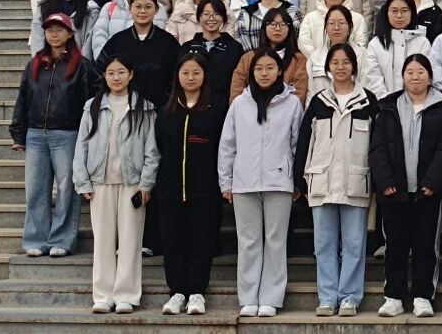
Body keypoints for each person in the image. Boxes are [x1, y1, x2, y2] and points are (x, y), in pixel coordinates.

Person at [218, 48, 304, 318]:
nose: (264, 73)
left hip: (280, 182)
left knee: (275, 241)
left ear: (279, 71)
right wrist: (226, 182)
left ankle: (271, 297)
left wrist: (296, 180)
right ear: (251, 72)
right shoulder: (239, 104)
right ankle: (248, 297)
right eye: (258, 68)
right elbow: (227, 144)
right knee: (248, 241)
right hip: (244, 182)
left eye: (270, 68)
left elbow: (297, 144)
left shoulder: (292, 103)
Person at [295, 42, 380, 317]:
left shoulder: (368, 101)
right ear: (328, 67)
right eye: (335, 62)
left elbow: (378, 146)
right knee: (323, 244)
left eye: (346, 62)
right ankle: (328, 297)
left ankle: (350, 297)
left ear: (354, 66)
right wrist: (300, 179)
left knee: (354, 244)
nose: (340, 67)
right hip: (322, 181)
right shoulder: (319, 101)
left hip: (356, 181)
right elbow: (305, 142)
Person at [370, 54, 442, 319]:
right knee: (395, 245)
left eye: (420, 72)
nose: (415, 77)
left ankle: (422, 296)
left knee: (425, 245)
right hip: (395, 191)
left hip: (427, 192)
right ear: (403, 77)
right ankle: (394, 296)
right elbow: (377, 148)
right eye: (410, 72)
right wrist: (385, 181)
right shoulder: (389, 107)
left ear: (430, 77)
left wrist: (432, 182)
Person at [72, 55, 160, 314]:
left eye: (121, 72)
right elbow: (81, 146)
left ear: (131, 74)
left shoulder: (145, 108)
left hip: (132, 183)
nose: (116, 77)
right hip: (100, 183)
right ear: (105, 76)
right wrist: (83, 182)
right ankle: (102, 295)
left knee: (131, 241)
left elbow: (152, 150)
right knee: (103, 241)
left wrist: (146, 184)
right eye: (111, 73)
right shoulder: (93, 106)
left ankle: (126, 295)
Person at [11, 13, 92, 258]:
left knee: (67, 189)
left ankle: (62, 240)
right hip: (36, 134)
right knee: (36, 189)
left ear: (69, 34)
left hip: (67, 134)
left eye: (59, 30)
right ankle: (35, 239)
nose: (54, 34)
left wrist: (87, 135)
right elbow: (23, 98)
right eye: (49, 30)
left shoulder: (81, 65)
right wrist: (19, 133)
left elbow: (90, 102)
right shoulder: (35, 63)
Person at [155, 51, 226, 317]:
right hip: (170, 190)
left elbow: (223, 148)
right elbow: (159, 147)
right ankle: (177, 292)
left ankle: (197, 292)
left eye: (196, 72)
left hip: (204, 190)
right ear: (177, 76)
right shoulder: (167, 111)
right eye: (185, 72)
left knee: (201, 241)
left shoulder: (215, 110)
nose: (191, 77)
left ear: (205, 76)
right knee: (173, 242)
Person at [94, 0, 182, 110]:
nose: (142, 11)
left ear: (156, 10)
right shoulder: (117, 41)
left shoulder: (169, 42)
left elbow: (178, 76)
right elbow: (99, 72)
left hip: (160, 110)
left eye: (148, 7)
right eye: (138, 7)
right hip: (123, 110)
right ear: (130, 9)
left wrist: (168, 101)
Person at [298, 0, 370, 94]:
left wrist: (343, 61)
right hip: (318, 70)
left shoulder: (357, 18)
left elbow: (361, 42)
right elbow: (304, 43)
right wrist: (321, 59)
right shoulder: (310, 17)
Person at [229, 7, 309, 106]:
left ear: (290, 29)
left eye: (283, 24)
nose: (277, 28)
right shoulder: (248, 58)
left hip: (285, 113)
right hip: (250, 111)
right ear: (264, 27)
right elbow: (237, 89)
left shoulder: (299, 59)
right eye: (272, 24)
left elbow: (299, 93)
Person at [363, 0, 432, 100]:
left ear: (412, 12)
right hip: (383, 106)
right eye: (394, 11)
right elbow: (373, 79)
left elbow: (424, 77)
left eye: (404, 11)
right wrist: (387, 104)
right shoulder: (375, 44)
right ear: (387, 13)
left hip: (416, 103)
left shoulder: (423, 43)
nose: (399, 16)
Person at [180, 0, 243, 105]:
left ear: (223, 18)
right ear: (199, 17)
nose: (211, 18)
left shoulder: (234, 48)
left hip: (224, 107)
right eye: (206, 14)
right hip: (193, 106)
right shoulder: (187, 48)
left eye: (216, 14)